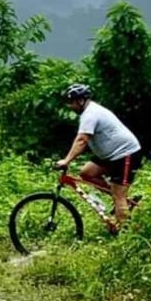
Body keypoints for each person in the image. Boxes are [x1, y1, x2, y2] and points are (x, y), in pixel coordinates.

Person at [55, 84, 142, 229]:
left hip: (125, 153)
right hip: (110, 155)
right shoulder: (89, 112)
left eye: (72, 102)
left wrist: (66, 160)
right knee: (87, 173)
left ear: (81, 101)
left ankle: (126, 234)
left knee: (118, 195)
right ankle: (121, 201)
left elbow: (82, 140)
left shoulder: (91, 114)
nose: (70, 106)